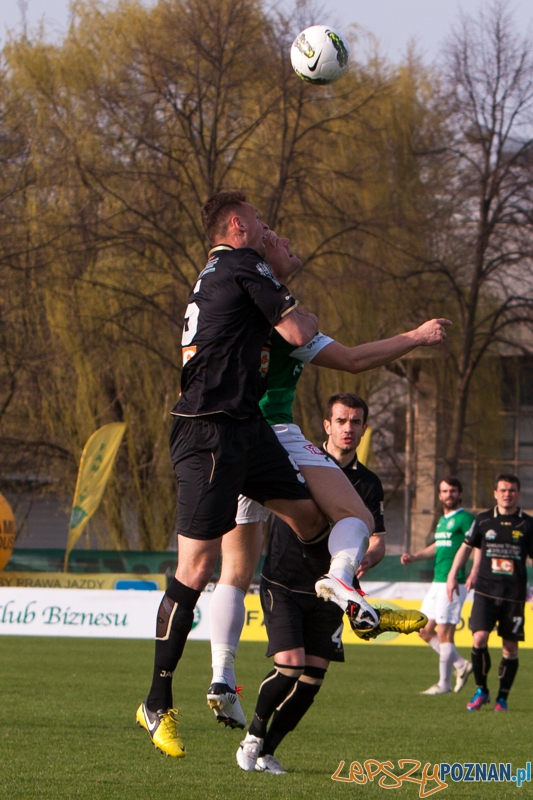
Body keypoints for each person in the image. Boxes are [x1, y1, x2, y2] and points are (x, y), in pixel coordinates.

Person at [136, 191, 426, 757]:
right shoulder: (242, 264)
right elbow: (298, 332)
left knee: (318, 519)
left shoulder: (224, 273)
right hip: (211, 431)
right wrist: (307, 316)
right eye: (265, 225)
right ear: (240, 226)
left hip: (250, 430)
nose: (273, 233)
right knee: (197, 569)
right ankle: (157, 701)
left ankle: (349, 594)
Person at [207, 231, 449, 728]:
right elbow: (355, 359)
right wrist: (418, 337)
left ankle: (221, 676)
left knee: (232, 570)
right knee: (350, 517)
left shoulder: (230, 312)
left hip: (227, 439)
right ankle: (344, 582)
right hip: (272, 432)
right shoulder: (289, 322)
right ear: (263, 261)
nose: (285, 241)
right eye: (275, 239)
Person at [236, 393, 390, 774]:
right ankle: (253, 735)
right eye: (341, 421)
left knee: (312, 679)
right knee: (289, 667)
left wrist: (365, 558)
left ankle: (268, 751)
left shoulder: (368, 484)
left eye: (356, 422)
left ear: (363, 427)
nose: (349, 428)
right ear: (327, 425)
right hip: (284, 581)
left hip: (331, 595)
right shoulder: (296, 461)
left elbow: (378, 540)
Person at [447, 474, 533, 712]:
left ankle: (502, 698)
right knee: (479, 638)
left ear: (518, 493)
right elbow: (466, 548)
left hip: (513, 595)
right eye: (503, 490)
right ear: (495, 493)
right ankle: (482, 690)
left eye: (512, 490)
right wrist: (453, 575)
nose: (507, 494)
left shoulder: (527, 524)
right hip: (485, 591)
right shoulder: (483, 520)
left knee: (510, 648)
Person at [401, 477, 475, 694]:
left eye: (453, 491)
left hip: (454, 583)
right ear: (440, 495)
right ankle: (461, 664)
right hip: (437, 582)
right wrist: (415, 556)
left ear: (460, 494)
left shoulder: (465, 518)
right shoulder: (442, 521)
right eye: (444, 491)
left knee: (445, 634)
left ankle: (444, 684)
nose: (448, 494)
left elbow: (477, 544)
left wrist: (475, 572)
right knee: (423, 630)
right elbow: (437, 546)